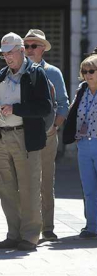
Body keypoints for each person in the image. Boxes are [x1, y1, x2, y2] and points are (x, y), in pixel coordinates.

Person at [0, 32, 52, 251]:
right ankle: (13, 234)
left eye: (10, 52)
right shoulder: (1, 75)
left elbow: (45, 107)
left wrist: (16, 109)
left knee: (29, 188)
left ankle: (31, 236)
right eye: (3, 54)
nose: (6, 57)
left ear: (22, 50)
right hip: (2, 137)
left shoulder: (36, 74)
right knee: (5, 188)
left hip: (26, 137)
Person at [23, 29, 69, 241]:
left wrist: (55, 127)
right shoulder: (16, 70)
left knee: (45, 183)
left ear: (42, 49)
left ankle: (47, 227)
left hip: (47, 134)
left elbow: (63, 102)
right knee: (23, 183)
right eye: (26, 46)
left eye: (34, 46)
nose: (29, 50)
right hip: (22, 135)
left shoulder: (53, 72)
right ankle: (26, 226)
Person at [66, 55, 97, 238]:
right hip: (84, 143)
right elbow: (74, 110)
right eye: (84, 71)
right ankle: (92, 226)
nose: (87, 75)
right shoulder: (82, 89)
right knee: (88, 188)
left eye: (91, 71)